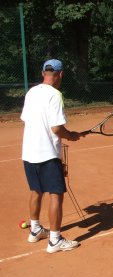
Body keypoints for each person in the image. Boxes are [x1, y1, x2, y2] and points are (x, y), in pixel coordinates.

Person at [21, 59, 83, 253]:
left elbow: (26, 121)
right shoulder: (55, 95)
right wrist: (71, 135)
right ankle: (55, 241)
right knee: (56, 195)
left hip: (28, 153)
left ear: (43, 73)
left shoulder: (32, 92)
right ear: (61, 74)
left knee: (36, 190)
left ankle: (35, 230)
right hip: (47, 154)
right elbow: (56, 128)